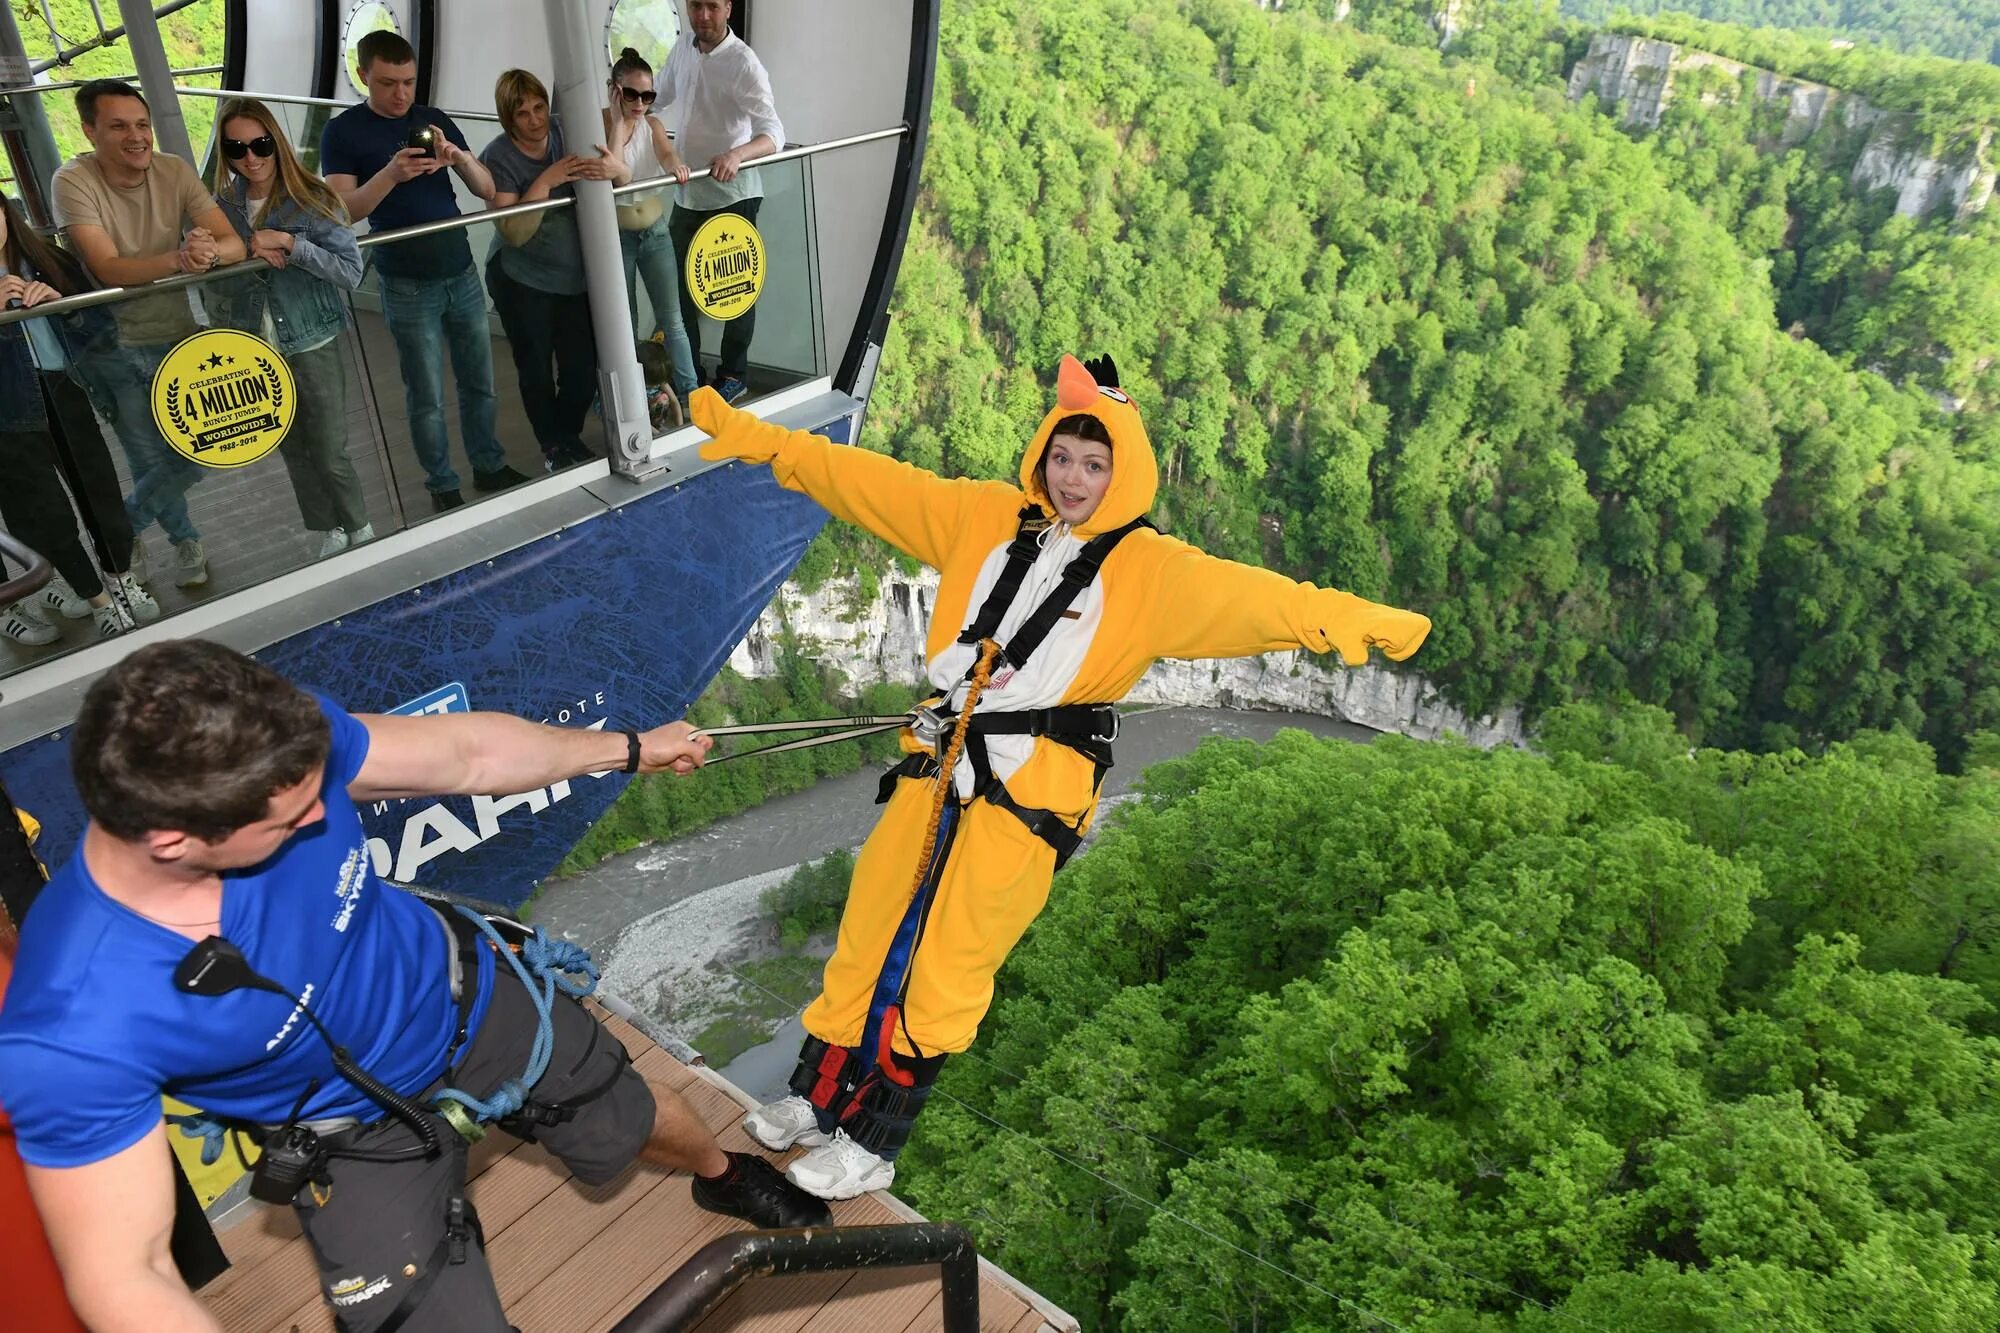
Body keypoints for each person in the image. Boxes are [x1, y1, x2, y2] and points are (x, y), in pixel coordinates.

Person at [692, 355, 1434, 1199]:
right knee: (873, 920)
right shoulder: (984, 517)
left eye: (1094, 462)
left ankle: (870, 1142)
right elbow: (864, 479)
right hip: (942, 760)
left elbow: (1260, 599)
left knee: (949, 961)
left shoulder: (1153, 572)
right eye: (1063, 456)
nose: (1073, 478)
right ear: (1042, 454)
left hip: (1035, 787)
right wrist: (764, 443)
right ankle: (814, 1099)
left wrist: (1352, 621)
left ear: (1124, 473)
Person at [0, 639, 830, 1332]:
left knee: (636, 1111)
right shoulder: (73, 1019)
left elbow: (465, 754)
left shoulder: (275, 748)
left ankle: (720, 1173)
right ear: (176, 841)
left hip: (466, 997)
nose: (327, 818)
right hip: (344, 1131)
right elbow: (126, 1271)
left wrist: (628, 748)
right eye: (290, 823)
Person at [320, 30, 529, 513]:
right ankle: (442, 483)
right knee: (426, 393)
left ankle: (489, 464)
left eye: (409, 82)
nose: (401, 94)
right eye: (389, 83)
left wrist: (456, 156)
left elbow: (485, 188)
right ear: (363, 75)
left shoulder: (433, 121)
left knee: (480, 380)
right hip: (406, 280)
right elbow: (344, 211)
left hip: (459, 269)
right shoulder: (343, 131)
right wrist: (390, 174)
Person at [53, 78, 248, 591]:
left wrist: (206, 251)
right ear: (90, 130)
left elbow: (234, 244)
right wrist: (182, 259)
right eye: (118, 126)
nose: (136, 136)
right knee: (147, 457)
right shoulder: (73, 180)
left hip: (178, 333)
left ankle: (122, 531)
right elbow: (107, 267)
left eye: (141, 124)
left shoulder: (174, 170)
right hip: (111, 344)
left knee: (199, 447)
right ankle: (185, 541)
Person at [209, 99, 374, 559]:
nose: (251, 157)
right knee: (295, 450)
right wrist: (235, 250)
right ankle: (328, 528)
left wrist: (289, 243)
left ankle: (359, 525)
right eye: (236, 148)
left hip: (311, 339)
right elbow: (214, 278)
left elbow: (350, 271)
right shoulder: (222, 207)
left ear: (276, 142)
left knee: (328, 447)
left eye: (260, 144)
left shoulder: (314, 198)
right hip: (255, 346)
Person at [0, 190, 159, 645]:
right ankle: (98, 601)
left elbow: (102, 325)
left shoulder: (47, 258)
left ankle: (119, 577)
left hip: (64, 391)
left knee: (100, 491)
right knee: (44, 511)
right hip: (7, 412)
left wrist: (60, 306)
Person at [481, 69, 623, 473]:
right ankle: (552, 444)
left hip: (573, 278)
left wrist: (625, 106)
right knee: (536, 367)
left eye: (539, 107)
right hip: (522, 278)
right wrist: (547, 179)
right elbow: (514, 232)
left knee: (581, 368)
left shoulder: (566, 131)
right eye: (522, 113)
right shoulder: (498, 157)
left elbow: (616, 116)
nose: (535, 119)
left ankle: (567, 435)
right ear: (508, 119)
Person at [659, 0, 783, 405]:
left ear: (728, 7)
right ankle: (692, 376)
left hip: (734, 195)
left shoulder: (744, 63)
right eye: (696, 6)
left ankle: (734, 374)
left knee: (732, 288)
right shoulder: (682, 48)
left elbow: (774, 133)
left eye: (712, 6)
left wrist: (736, 155)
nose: (703, 16)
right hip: (689, 192)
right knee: (679, 288)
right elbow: (655, 99)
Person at [603, 46, 699, 413]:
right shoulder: (601, 122)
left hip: (654, 230)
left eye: (648, 96)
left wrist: (678, 166)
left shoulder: (653, 125)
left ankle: (692, 396)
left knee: (672, 318)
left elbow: (666, 154)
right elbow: (610, 171)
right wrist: (616, 119)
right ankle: (636, 398)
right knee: (624, 321)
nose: (640, 103)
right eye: (631, 94)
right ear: (614, 90)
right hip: (617, 237)